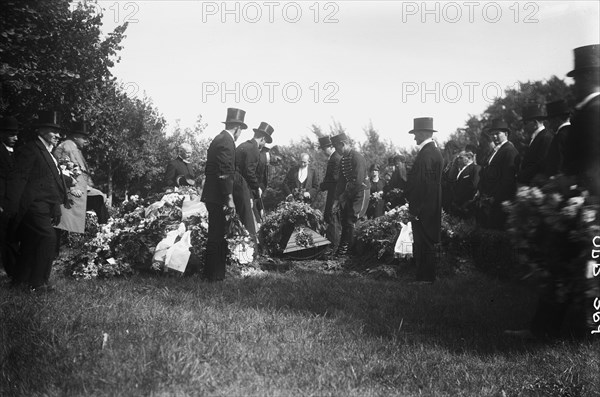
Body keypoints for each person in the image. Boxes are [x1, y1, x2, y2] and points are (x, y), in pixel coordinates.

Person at [4, 110, 70, 291]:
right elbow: (18, 179)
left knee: (31, 242)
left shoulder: (50, 153)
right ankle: (38, 283)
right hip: (32, 206)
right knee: (47, 239)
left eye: (58, 132)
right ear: (40, 130)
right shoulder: (30, 150)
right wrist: (10, 208)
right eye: (53, 131)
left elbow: (53, 182)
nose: (58, 135)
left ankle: (19, 280)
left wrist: (56, 207)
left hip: (46, 205)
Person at [200, 108, 246, 281]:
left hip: (212, 194)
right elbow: (225, 172)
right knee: (217, 235)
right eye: (240, 130)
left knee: (216, 233)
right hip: (218, 195)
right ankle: (214, 276)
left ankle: (212, 274)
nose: (240, 134)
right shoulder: (227, 141)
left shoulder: (219, 138)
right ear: (237, 128)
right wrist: (229, 197)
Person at [53, 120, 109, 235]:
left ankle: (105, 229)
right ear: (75, 137)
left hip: (78, 189)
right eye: (83, 137)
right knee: (98, 198)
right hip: (70, 190)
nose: (86, 141)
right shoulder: (68, 146)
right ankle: (105, 230)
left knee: (99, 199)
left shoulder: (73, 147)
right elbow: (70, 169)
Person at [405, 117, 443, 283]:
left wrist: (416, 209)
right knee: (425, 242)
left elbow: (422, 184)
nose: (414, 138)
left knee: (424, 242)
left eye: (416, 134)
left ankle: (426, 278)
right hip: (430, 204)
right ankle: (426, 276)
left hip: (424, 206)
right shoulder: (432, 152)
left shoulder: (427, 154)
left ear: (422, 133)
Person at [331, 133, 369, 256]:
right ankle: (343, 249)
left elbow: (357, 181)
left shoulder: (357, 158)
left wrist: (344, 195)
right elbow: (341, 182)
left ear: (343, 144)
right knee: (345, 220)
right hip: (351, 192)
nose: (336, 150)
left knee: (353, 218)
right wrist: (337, 199)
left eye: (337, 147)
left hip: (361, 192)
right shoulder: (343, 160)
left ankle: (352, 251)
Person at [477, 119, 519, 230]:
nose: (494, 137)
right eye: (492, 134)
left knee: (497, 231)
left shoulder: (509, 151)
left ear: (506, 134)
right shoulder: (496, 151)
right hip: (489, 199)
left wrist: (495, 198)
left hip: (500, 201)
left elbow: (508, 179)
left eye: (497, 134)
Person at [234, 121, 273, 238]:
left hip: (233, 184)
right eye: (265, 141)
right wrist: (256, 187)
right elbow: (249, 172)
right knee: (248, 219)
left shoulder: (243, 145)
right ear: (262, 138)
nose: (264, 144)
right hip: (241, 186)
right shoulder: (253, 149)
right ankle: (250, 246)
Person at [0, 116, 20, 281]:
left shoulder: (13, 152)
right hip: (2, 202)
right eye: (11, 134)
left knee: (11, 236)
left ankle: (13, 271)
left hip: (11, 202)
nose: (16, 138)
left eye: (16, 134)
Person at [517, 103, 553, 185]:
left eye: (525, 123)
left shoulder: (545, 137)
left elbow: (540, 164)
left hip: (539, 184)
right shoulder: (537, 137)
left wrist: (521, 176)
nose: (523, 127)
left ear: (534, 122)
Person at [318, 136, 342, 255]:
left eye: (324, 148)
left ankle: (333, 248)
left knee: (333, 219)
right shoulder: (334, 157)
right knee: (330, 217)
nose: (323, 151)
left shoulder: (335, 158)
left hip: (335, 193)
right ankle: (331, 246)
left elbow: (334, 179)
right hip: (333, 192)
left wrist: (322, 186)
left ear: (330, 147)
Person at [543, 99, 571, 177]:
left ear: (556, 120)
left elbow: (557, 166)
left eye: (549, 121)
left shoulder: (559, 137)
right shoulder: (575, 131)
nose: (549, 125)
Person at [449, 150, 479, 219]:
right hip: (457, 204)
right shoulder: (460, 169)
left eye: (460, 158)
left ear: (468, 158)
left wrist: (465, 203)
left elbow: (474, 186)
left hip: (466, 205)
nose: (458, 160)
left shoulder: (476, 168)